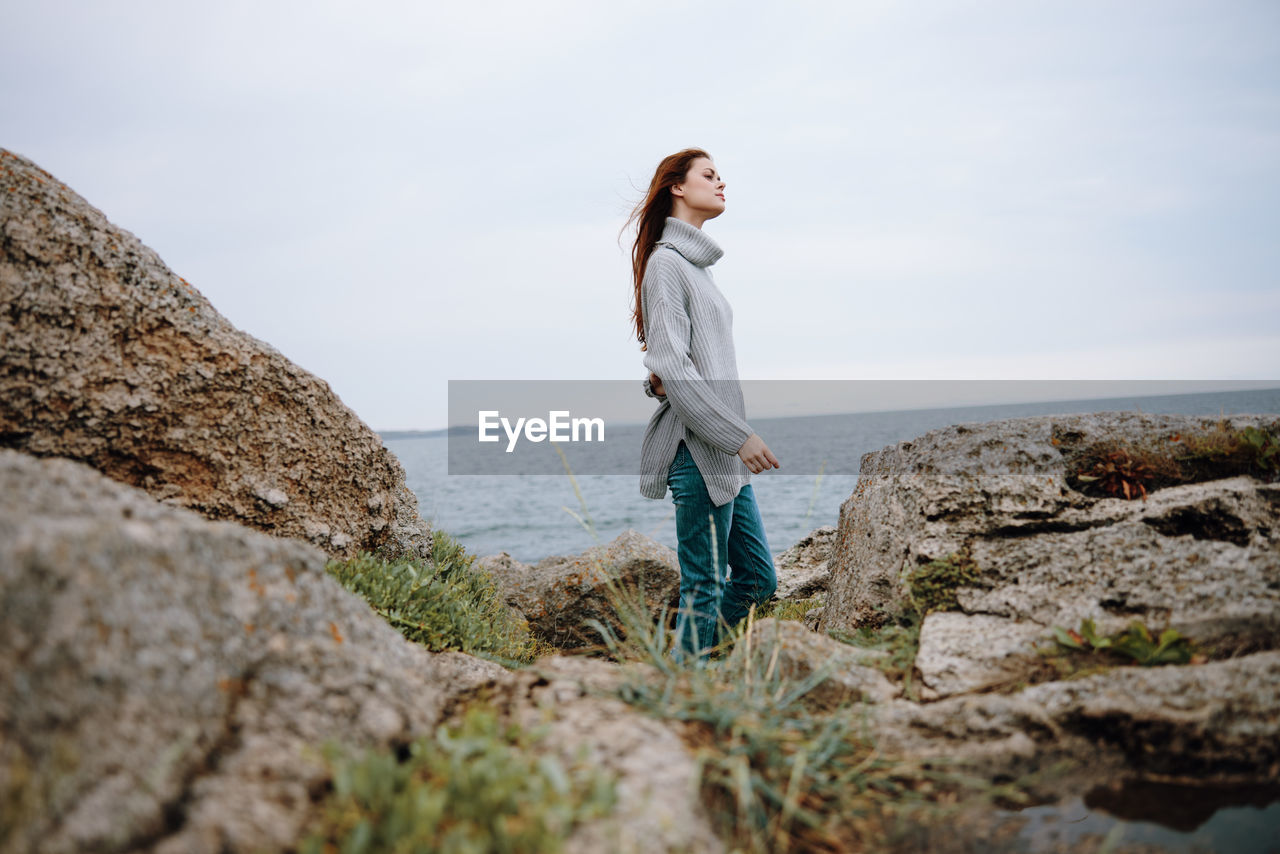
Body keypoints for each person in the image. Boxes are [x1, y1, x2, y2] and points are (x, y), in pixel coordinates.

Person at [624, 148, 780, 663]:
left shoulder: (696, 269)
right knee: (704, 586)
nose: (721, 184)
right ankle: (683, 691)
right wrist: (739, 436)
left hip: (722, 454)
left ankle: (695, 666)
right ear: (677, 187)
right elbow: (674, 368)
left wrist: (663, 381)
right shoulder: (667, 265)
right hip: (698, 451)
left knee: (757, 579)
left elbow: (673, 367)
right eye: (709, 176)